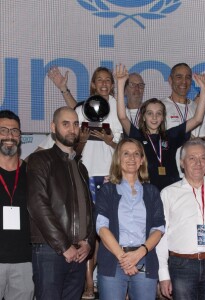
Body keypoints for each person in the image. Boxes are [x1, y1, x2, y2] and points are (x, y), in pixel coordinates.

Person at [48, 66, 123, 299]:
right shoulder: (82, 109)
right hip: (87, 175)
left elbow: (123, 146)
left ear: (112, 85)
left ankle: (107, 278)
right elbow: (75, 147)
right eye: (99, 80)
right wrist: (84, 138)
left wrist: (110, 142)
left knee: (107, 230)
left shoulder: (117, 111)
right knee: (90, 229)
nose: (103, 83)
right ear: (93, 84)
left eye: (107, 80)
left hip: (111, 176)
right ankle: (88, 281)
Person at [27, 107, 95, 300]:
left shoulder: (81, 167)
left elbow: (90, 209)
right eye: (66, 124)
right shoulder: (40, 160)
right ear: (53, 128)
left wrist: (88, 243)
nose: (72, 129)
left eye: (75, 124)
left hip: (79, 254)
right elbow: (37, 205)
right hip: (51, 251)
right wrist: (64, 246)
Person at [156, 138, 205, 300]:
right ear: (182, 163)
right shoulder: (168, 193)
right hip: (181, 265)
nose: (198, 163)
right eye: (192, 158)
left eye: (202, 158)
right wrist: (163, 274)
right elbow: (161, 236)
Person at [115, 63, 205, 191]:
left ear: (163, 117)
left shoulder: (171, 135)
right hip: (146, 189)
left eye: (158, 113)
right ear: (143, 116)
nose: (154, 118)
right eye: (150, 113)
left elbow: (197, 119)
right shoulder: (137, 136)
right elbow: (122, 116)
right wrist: (120, 84)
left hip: (172, 189)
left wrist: (204, 90)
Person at [95, 138, 165, 300]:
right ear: (118, 160)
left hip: (144, 260)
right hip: (113, 261)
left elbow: (158, 228)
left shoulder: (152, 192)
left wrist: (138, 254)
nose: (131, 158)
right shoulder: (107, 190)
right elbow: (101, 227)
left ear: (142, 160)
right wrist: (123, 258)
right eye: (126, 153)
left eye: (136, 154)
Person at [162, 63, 205, 177]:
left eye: (188, 77)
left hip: (195, 172)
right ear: (170, 80)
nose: (184, 81)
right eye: (179, 77)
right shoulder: (160, 107)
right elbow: (158, 141)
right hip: (169, 170)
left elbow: (203, 140)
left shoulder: (199, 108)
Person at [0, 110, 34, 300]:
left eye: (14, 131)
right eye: (3, 130)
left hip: (24, 262)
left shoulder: (33, 174)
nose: (9, 136)